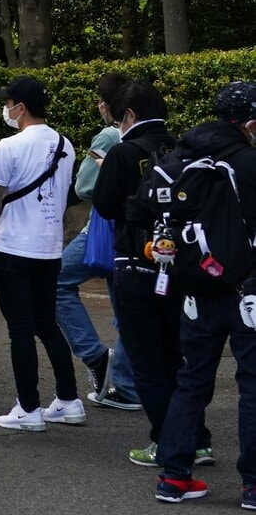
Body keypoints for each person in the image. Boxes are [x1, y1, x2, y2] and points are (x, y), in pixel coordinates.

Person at [91, 80, 207, 468]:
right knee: (175, 355)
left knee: (146, 362)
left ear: (129, 116)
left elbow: (106, 206)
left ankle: (168, 441)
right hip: (180, 265)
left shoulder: (124, 152)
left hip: (137, 263)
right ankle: (198, 439)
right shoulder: (182, 151)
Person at [153, 81, 256, 504]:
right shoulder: (250, 163)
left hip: (195, 287)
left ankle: (174, 476)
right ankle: (253, 484)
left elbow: (152, 210)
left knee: (192, 380)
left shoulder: (184, 158)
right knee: (252, 384)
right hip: (249, 290)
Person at [0, 75, 84, 432]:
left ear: (21, 108)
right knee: (47, 323)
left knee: (20, 329)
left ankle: (28, 407)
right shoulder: (66, 144)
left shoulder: (8, 147)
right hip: (48, 247)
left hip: (13, 245)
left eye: (9, 102)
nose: (6, 109)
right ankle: (69, 400)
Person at [57, 72, 140, 410]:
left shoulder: (107, 136)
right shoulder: (148, 137)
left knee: (56, 280)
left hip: (102, 228)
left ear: (108, 106)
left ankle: (95, 357)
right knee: (124, 309)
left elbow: (84, 187)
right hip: (134, 232)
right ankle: (127, 386)